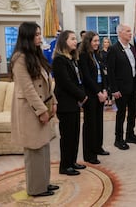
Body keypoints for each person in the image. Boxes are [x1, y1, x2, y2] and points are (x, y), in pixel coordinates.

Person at [10, 22, 58, 197]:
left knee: (43, 148)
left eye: (40, 34)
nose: (40, 37)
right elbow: (28, 89)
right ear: (27, 37)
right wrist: (42, 111)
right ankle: (36, 189)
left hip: (42, 105)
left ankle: (43, 183)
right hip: (30, 111)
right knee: (34, 151)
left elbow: (46, 83)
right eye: (36, 35)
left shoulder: (35, 55)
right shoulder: (19, 58)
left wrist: (54, 102)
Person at [52, 30, 88, 176]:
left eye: (75, 39)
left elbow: (77, 80)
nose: (75, 41)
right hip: (65, 103)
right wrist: (81, 96)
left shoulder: (72, 59)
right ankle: (64, 166)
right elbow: (66, 82)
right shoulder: (59, 60)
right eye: (72, 39)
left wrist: (81, 94)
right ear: (63, 41)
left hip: (73, 102)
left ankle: (72, 161)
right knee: (67, 136)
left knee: (74, 134)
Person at [108, 24, 136, 150]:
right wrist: (114, 89)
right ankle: (118, 139)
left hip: (133, 85)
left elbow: (135, 64)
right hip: (121, 88)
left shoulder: (132, 47)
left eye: (131, 31)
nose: (130, 33)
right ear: (120, 33)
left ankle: (130, 134)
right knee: (121, 113)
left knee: (133, 111)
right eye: (128, 31)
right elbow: (111, 71)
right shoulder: (113, 49)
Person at [79, 31, 109, 164]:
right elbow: (86, 77)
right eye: (95, 41)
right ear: (88, 42)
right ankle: (89, 155)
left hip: (100, 92)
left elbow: (102, 74)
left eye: (98, 41)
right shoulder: (83, 56)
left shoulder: (97, 54)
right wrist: (98, 92)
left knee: (99, 122)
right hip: (90, 94)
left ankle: (98, 148)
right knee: (90, 124)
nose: (97, 43)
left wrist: (105, 90)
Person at [100, 37, 112, 106]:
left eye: (107, 42)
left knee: (110, 86)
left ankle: (110, 99)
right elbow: (100, 62)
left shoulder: (111, 51)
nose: (106, 43)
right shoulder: (100, 52)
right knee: (105, 85)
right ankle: (105, 99)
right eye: (105, 42)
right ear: (103, 43)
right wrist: (104, 68)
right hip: (103, 71)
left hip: (110, 71)